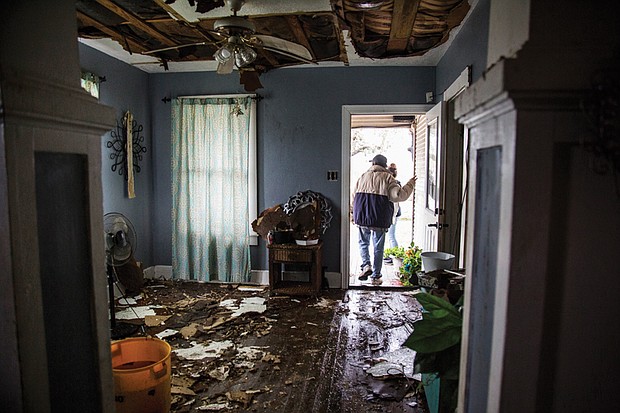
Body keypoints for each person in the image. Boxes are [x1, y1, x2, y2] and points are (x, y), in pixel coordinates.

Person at [352, 154, 416, 285]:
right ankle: (376, 276)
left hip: (362, 215)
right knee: (378, 247)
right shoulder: (388, 178)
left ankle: (366, 265)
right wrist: (410, 184)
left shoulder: (363, 176)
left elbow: (353, 197)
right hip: (379, 217)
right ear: (384, 165)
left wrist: (352, 213)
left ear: (373, 164)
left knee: (363, 243)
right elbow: (399, 195)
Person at [384, 163, 401, 264]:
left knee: (391, 235)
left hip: (393, 213)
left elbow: (395, 204)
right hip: (393, 212)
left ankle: (395, 257)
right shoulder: (396, 183)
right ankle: (392, 256)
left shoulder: (394, 184)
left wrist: (392, 217)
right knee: (391, 235)